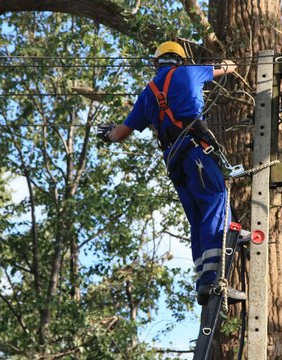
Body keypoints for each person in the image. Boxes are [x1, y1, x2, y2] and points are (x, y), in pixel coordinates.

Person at [95, 41, 245, 306]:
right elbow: (229, 67)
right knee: (214, 202)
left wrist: (108, 133)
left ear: (156, 63)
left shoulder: (147, 94)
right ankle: (213, 278)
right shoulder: (189, 72)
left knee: (198, 218)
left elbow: (119, 134)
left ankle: (203, 279)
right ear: (180, 60)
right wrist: (230, 61)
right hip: (198, 151)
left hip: (175, 162)